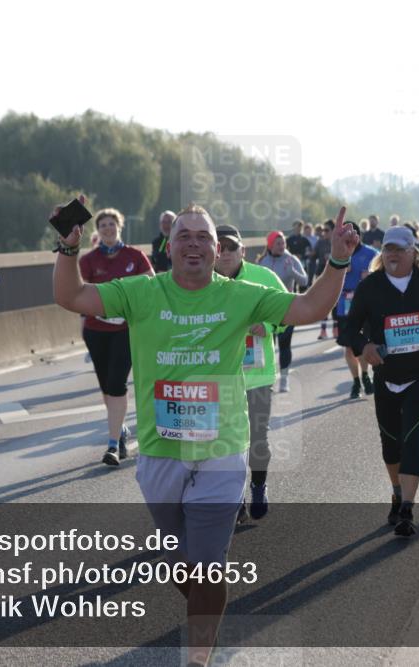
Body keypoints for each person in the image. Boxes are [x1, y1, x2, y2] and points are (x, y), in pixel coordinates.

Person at [52, 197, 358, 667]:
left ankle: (197, 658)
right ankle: (207, 604)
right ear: (168, 247)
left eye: (203, 238)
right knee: (183, 567)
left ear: (217, 251)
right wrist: (68, 248)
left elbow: (312, 306)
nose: (193, 244)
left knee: (208, 565)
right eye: (184, 237)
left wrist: (337, 260)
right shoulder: (140, 291)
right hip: (160, 450)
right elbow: (72, 297)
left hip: (222, 449)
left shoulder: (242, 295)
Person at [343, 226, 419, 537]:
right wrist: (364, 346)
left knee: (412, 440)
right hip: (386, 376)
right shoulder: (371, 287)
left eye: (399, 249)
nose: (392, 254)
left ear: (412, 253)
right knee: (390, 444)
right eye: (388, 249)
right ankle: (396, 491)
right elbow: (350, 328)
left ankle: (407, 508)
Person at [214, 224, 286, 521]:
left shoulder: (264, 277)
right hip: (218, 377)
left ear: (243, 251)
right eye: (220, 247)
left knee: (257, 437)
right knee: (225, 442)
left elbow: (287, 313)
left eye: (232, 247)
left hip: (257, 374)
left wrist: (267, 326)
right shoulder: (200, 282)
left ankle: (258, 485)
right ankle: (234, 499)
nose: (226, 253)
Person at [79, 208, 154, 466]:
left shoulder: (135, 256)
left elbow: (150, 285)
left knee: (116, 383)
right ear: (97, 231)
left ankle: (112, 444)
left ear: (119, 226)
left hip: (126, 329)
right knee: (106, 386)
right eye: (103, 225)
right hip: (96, 329)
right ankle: (119, 428)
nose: (108, 229)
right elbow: (79, 292)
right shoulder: (88, 260)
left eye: (112, 224)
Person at [258, 231, 308, 392]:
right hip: (267, 311)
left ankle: (284, 379)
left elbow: (305, 280)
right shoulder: (262, 261)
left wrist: (292, 271)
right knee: (269, 346)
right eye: (278, 244)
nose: (282, 246)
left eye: (283, 243)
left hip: (287, 309)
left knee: (284, 345)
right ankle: (270, 380)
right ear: (270, 245)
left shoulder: (291, 259)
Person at [335, 222, 379, 399]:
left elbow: (382, 277)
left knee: (364, 343)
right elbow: (327, 278)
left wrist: (370, 276)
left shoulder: (371, 254)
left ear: (358, 236)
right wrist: (341, 271)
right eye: (344, 235)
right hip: (344, 304)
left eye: (351, 235)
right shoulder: (338, 254)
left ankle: (366, 375)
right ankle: (356, 382)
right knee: (348, 347)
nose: (348, 239)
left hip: (366, 305)